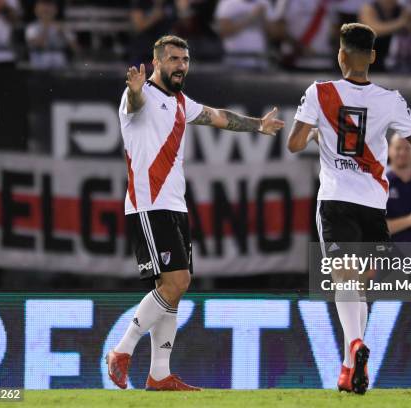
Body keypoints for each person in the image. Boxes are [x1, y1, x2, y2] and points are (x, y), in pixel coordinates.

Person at [107, 35, 284, 392]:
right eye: (173, 59)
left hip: (174, 205)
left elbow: (219, 117)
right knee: (178, 282)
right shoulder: (137, 98)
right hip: (149, 205)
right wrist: (137, 89)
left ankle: (159, 374)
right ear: (156, 62)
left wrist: (257, 125)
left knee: (170, 290)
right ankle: (121, 350)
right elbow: (134, 101)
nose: (180, 65)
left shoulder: (182, 103)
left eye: (185, 59)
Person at [287, 23, 411, 394]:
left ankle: (355, 347)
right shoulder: (389, 99)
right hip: (374, 205)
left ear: (341, 55)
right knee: (359, 287)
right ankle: (349, 368)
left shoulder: (320, 92)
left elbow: (294, 144)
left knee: (344, 283)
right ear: (373, 57)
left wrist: (314, 132)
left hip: (335, 201)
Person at [214, 0, 273, 70]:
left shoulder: (264, 2)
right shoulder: (227, 2)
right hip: (235, 60)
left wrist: (265, 18)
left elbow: (274, 35)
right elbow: (224, 32)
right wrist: (251, 17)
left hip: (260, 61)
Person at [359, 0, 411, 72]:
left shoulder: (401, 9)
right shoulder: (369, 8)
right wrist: (399, 23)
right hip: (368, 57)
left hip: (391, 57)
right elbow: (371, 30)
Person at [25, 0, 77, 69]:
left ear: (56, 10)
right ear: (36, 10)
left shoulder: (62, 26)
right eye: (43, 7)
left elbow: (75, 49)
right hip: (40, 66)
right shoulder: (32, 27)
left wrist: (64, 34)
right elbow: (37, 45)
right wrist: (46, 27)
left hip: (60, 66)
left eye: (49, 7)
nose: (46, 10)